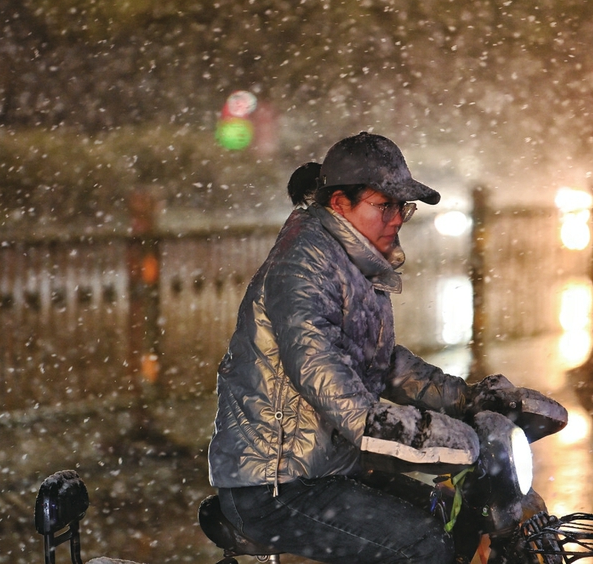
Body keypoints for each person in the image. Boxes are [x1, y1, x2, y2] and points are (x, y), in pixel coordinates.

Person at [207, 132, 491, 564]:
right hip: (274, 484)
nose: (397, 219)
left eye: (403, 207)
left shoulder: (350, 264)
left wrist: (469, 401)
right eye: (385, 206)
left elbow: (382, 364)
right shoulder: (303, 264)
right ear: (340, 203)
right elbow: (322, 372)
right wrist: (425, 436)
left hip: (327, 470)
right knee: (422, 544)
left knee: (458, 521)